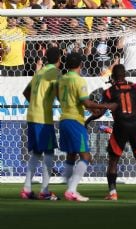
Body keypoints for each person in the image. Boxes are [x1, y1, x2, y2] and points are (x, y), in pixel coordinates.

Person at [86, 64, 136, 200]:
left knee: (113, 161)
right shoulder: (134, 88)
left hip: (120, 125)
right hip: (135, 125)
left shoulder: (109, 92)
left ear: (113, 76)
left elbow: (101, 112)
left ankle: (112, 193)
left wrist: (88, 120)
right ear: (124, 75)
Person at [58, 52, 117, 202]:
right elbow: (86, 102)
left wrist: (83, 106)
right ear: (81, 65)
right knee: (85, 156)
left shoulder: (62, 79)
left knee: (71, 155)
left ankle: (68, 187)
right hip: (75, 121)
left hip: (63, 119)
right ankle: (71, 190)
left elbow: (62, 97)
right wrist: (105, 105)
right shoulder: (79, 80)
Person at [20, 47, 62, 200]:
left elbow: (26, 92)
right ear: (59, 59)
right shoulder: (56, 73)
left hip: (32, 116)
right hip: (43, 119)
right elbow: (59, 93)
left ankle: (26, 189)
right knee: (49, 152)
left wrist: (35, 103)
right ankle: (44, 191)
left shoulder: (39, 72)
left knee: (37, 153)